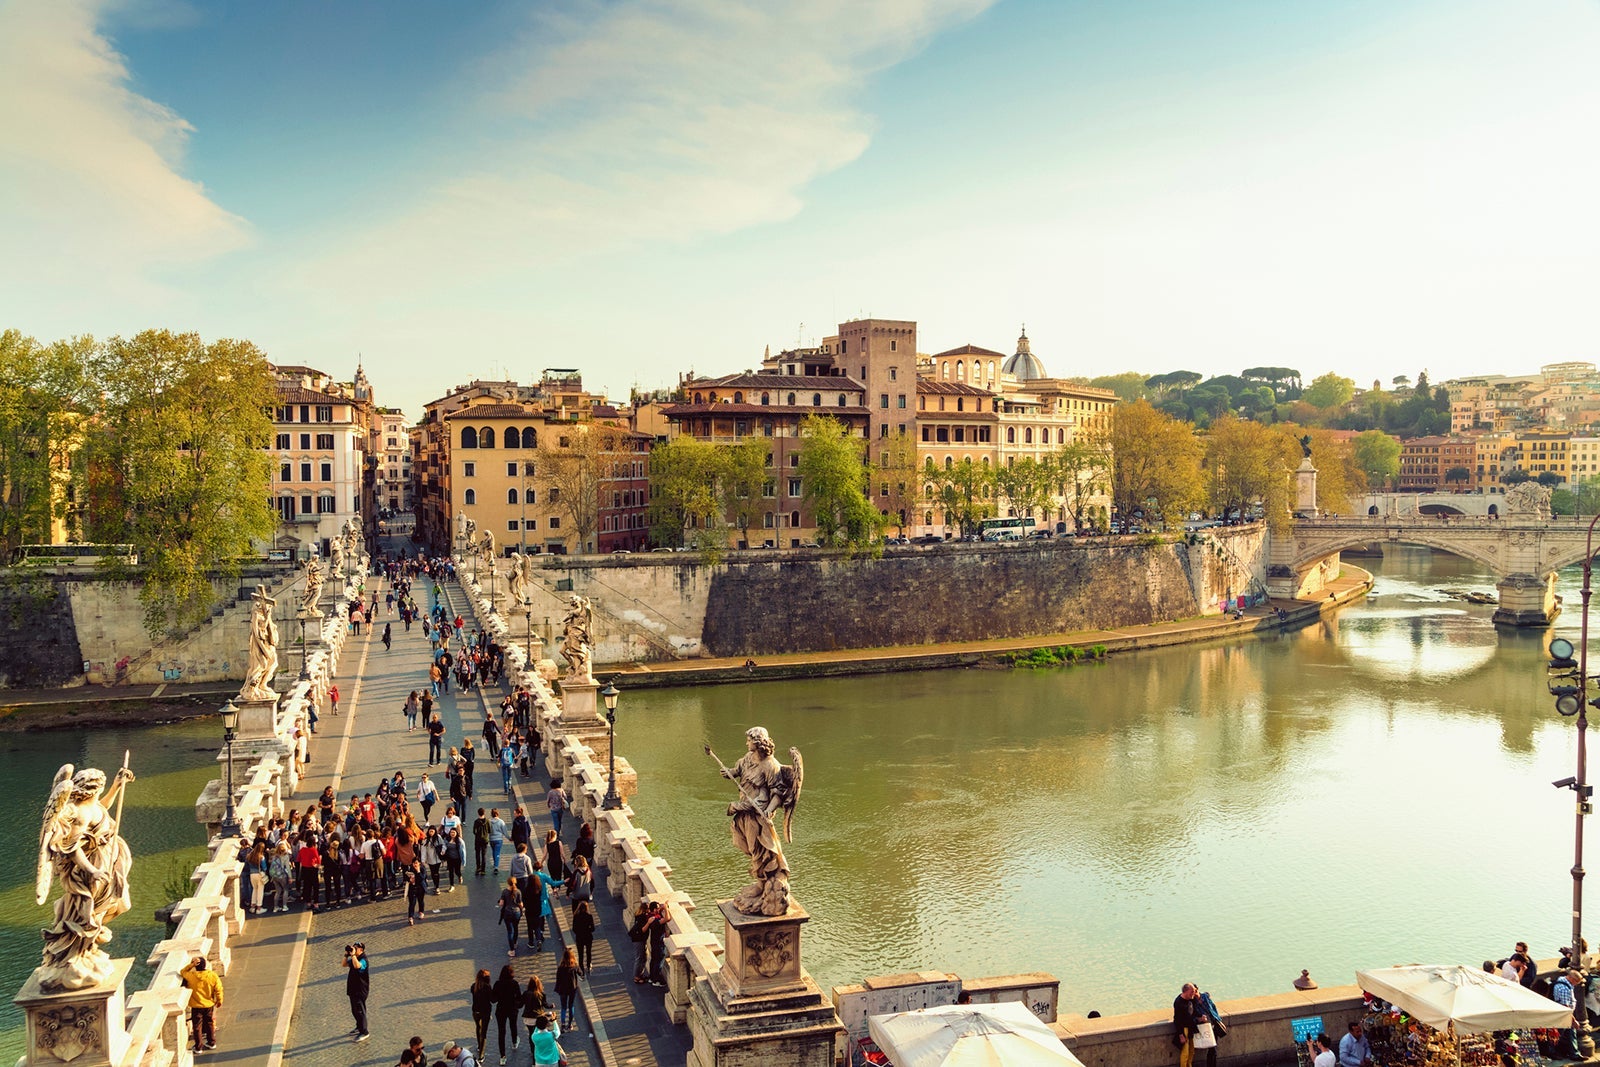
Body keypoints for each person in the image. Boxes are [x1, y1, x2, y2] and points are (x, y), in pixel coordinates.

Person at [180, 955, 222, 1052]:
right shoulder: (212, 975)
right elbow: (219, 989)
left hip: (196, 1005)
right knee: (210, 1023)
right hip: (209, 1004)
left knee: (197, 1026)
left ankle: (198, 1047)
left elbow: (183, 972)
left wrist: (191, 965)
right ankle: (212, 1042)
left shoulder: (191, 976)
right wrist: (219, 1000)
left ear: (196, 966)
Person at [1173, 982, 1221, 1067]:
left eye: (1194, 991)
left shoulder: (1190, 999)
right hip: (1185, 1029)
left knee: (1191, 1051)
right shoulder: (1178, 1002)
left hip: (1192, 1028)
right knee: (1185, 1053)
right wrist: (1181, 1035)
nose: (1193, 994)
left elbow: (1195, 1011)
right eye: (1192, 992)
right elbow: (1177, 1019)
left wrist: (1200, 1017)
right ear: (1186, 991)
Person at [493, 963, 523, 1065]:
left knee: (501, 1032)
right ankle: (514, 1042)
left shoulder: (497, 984)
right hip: (512, 1009)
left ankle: (502, 1056)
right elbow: (519, 998)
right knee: (513, 1025)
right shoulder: (514, 983)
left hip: (501, 1010)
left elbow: (493, 999)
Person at [344, 943, 371, 1042]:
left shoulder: (364, 959)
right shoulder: (354, 957)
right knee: (354, 1010)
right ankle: (359, 1027)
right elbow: (344, 964)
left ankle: (364, 1032)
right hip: (353, 989)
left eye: (356, 948)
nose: (354, 949)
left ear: (361, 950)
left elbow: (357, 966)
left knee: (360, 1011)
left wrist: (353, 955)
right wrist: (346, 955)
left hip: (360, 990)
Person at [469, 968, 494, 1061]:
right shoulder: (487, 987)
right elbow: (492, 999)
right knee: (484, 1033)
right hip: (485, 1012)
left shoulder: (473, 986)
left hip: (475, 1011)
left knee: (478, 1028)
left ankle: (479, 1046)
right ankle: (481, 1055)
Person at [497, 877, 525, 958]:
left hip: (507, 913)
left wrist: (500, 902)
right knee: (515, 928)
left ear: (508, 883)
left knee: (510, 931)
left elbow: (501, 904)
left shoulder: (505, 891)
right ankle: (515, 943)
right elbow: (520, 904)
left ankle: (512, 950)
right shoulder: (518, 891)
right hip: (516, 912)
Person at [556, 946, 580, 1032]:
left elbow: (558, 979)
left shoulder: (560, 968)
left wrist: (557, 988)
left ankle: (562, 1024)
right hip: (572, 989)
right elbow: (580, 973)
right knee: (571, 1006)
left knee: (563, 1007)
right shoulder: (574, 966)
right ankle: (570, 1024)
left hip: (563, 989)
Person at [572, 899, 596, 976]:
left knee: (580, 954)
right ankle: (589, 966)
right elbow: (593, 928)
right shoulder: (589, 916)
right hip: (588, 937)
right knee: (588, 952)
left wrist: (579, 932)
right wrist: (588, 930)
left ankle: (581, 968)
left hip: (579, 937)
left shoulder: (576, 916)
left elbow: (574, 929)